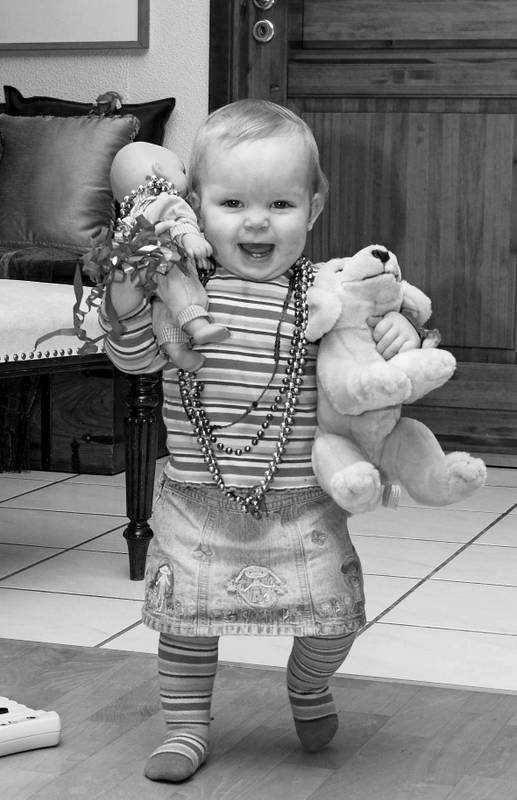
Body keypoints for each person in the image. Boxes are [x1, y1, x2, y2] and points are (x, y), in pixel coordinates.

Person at [99, 99, 421, 783]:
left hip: (301, 499)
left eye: (279, 203)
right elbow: (130, 357)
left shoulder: (329, 292)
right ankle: (186, 726)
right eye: (232, 203)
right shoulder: (182, 292)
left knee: (334, 618)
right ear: (195, 207)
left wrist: (402, 335)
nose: (255, 221)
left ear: (313, 207)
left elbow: (377, 346)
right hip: (197, 498)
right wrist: (125, 292)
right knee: (186, 626)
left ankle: (308, 684)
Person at [110, 141, 228, 371]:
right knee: (182, 285)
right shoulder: (165, 199)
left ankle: (176, 351)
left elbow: (118, 252)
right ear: (160, 171)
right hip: (168, 260)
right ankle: (198, 326)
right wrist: (191, 239)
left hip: (141, 277)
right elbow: (180, 220)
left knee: (163, 306)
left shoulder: (128, 218)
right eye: (182, 170)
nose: (186, 177)